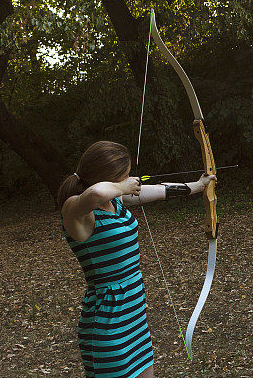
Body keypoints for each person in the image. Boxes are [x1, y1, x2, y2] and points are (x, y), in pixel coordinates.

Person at [57, 141, 215, 378]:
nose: (131, 180)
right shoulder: (76, 210)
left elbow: (161, 190)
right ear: (110, 178)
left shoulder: (116, 202)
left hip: (135, 319)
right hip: (107, 327)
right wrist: (122, 187)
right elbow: (97, 192)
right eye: (125, 176)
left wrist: (199, 186)